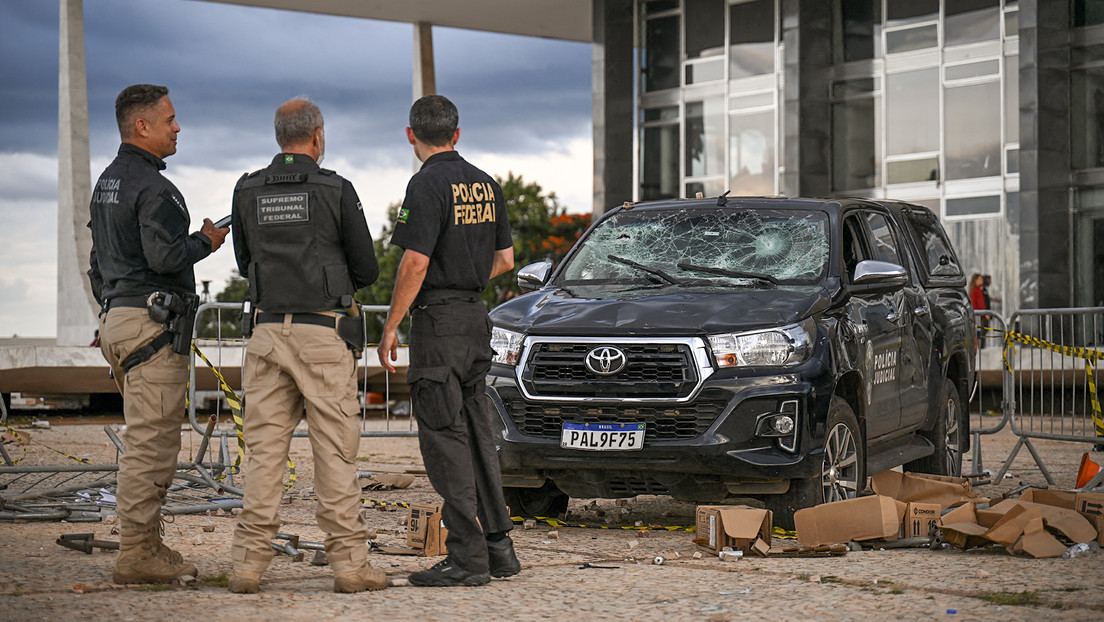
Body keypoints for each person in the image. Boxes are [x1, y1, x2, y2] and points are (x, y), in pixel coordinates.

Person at [228, 97, 384, 594]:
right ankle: (350, 567)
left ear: (280, 137)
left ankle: (247, 567)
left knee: (264, 456)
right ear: (317, 136)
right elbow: (367, 269)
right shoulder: (336, 189)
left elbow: (242, 260)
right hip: (323, 335)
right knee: (335, 453)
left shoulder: (247, 188)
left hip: (267, 334)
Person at [87, 84, 229, 584]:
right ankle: (135, 555)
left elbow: (96, 266)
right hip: (151, 329)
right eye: (169, 119)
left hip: (119, 322)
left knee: (148, 437)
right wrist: (206, 241)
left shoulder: (107, 181)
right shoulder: (156, 188)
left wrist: (112, 313)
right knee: (152, 445)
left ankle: (147, 543)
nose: (178, 127)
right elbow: (166, 257)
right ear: (141, 126)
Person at [377, 94, 519, 587]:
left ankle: (467, 559)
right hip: (477, 320)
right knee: (479, 438)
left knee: (445, 443)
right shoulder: (486, 184)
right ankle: (500, 549)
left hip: (438, 324)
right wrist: (469, 274)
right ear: (457, 134)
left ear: (411, 136)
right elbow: (505, 260)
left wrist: (392, 322)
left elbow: (414, 262)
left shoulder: (425, 184)